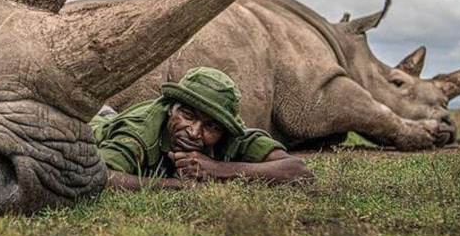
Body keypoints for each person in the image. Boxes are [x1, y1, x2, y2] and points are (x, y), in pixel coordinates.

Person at [90, 67, 314, 190]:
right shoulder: (139, 132)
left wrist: (218, 169)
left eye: (211, 127)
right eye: (187, 115)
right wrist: (177, 186)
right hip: (95, 123)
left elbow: (298, 171)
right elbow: (100, 176)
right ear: (171, 108)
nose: (195, 132)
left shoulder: (233, 136)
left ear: (225, 129)